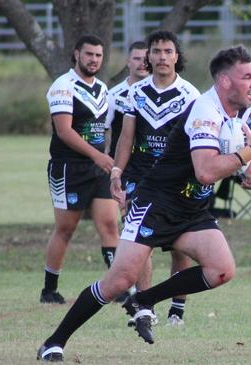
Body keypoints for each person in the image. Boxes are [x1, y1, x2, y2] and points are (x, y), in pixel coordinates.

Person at [37, 45, 251, 361]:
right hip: (156, 204)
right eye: (247, 77)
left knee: (221, 270)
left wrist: (248, 168)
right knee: (118, 281)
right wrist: (250, 153)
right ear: (225, 82)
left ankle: (144, 300)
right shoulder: (205, 112)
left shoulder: (240, 110)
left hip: (191, 209)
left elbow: (236, 141)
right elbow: (207, 171)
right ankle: (54, 342)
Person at [110, 30, 200, 326]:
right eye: (157, 51)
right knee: (139, 242)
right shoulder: (134, 93)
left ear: (177, 56)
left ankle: (177, 306)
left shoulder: (191, 95)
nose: (162, 57)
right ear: (147, 56)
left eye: (168, 51)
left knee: (178, 244)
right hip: (140, 177)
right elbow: (126, 138)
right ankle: (145, 307)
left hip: (176, 178)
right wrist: (116, 171)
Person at [40, 35, 114, 304]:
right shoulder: (63, 86)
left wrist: (103, 155)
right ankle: (49, 289)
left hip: (97, 166)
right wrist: (98, 155)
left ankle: (117, 286)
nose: (94, 59)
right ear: (76, 54)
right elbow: (64, 131)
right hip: (67, 168)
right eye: (89, 54)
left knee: (108, 224)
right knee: (66, 228)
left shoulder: (103, 89)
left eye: (98, 55)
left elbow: (102, 128)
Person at [102, 40, 150, 302]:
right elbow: (107, 131)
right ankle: (128, 287)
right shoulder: (115, 94)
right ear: (128, 62)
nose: (142, 63)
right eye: (136, 58)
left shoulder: (158, 92)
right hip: (125, 172)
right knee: (130, 228)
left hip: (151, 171)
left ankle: (135, 289)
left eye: (146, 58)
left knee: (140, 232)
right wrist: (111, 166)